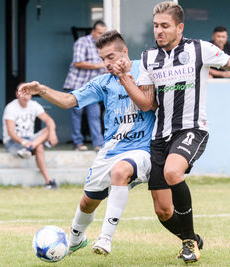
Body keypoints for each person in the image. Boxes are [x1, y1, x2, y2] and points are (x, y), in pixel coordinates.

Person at [114, 1, 230, 263]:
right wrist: (126, 79)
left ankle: (189, 242)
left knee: (173, 171)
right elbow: (147, 103)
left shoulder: (200, 49)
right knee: (163, 211)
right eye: (156, 26)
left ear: (179, 27)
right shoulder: (148, 58)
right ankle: (191, 238)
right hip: (160, 137)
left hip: (192, 129)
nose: (158, 31)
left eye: (165, 26)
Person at [18, 30, 155, 256]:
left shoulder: (146, 70)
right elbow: (69, 100)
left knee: (121, 172)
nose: (106, 64)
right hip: (111, 149)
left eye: (111, 57)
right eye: (102, 59)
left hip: (142, 148)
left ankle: (105, 238)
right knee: (87, 202)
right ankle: (75, 239)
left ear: (125, 52)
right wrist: (41, 90)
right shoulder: (102, 82)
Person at [2, 86, 58, 189]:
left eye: (27, 93)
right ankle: (49, 181)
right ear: (17, 93)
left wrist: (53, 133)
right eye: (22, 93)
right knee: (39, 147)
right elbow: (11, 132)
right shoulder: (10, 107)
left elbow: (49, 121)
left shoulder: (34, 105)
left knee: (48, 129)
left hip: (30, 140)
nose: (25, 96)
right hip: (14, 142)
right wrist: (24, 143)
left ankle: (48, 182)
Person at [63, 20, 106, 151]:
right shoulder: (82, 42)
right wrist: (99, 65)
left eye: (104, 33)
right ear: (93, 32)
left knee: (95, 115)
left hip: (92, 87)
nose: (102, 35)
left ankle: (98, 144)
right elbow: (78, 62)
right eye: (99, 33)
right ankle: (78, 143)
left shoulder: (104, 45)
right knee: (77, 114)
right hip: (77, 84)